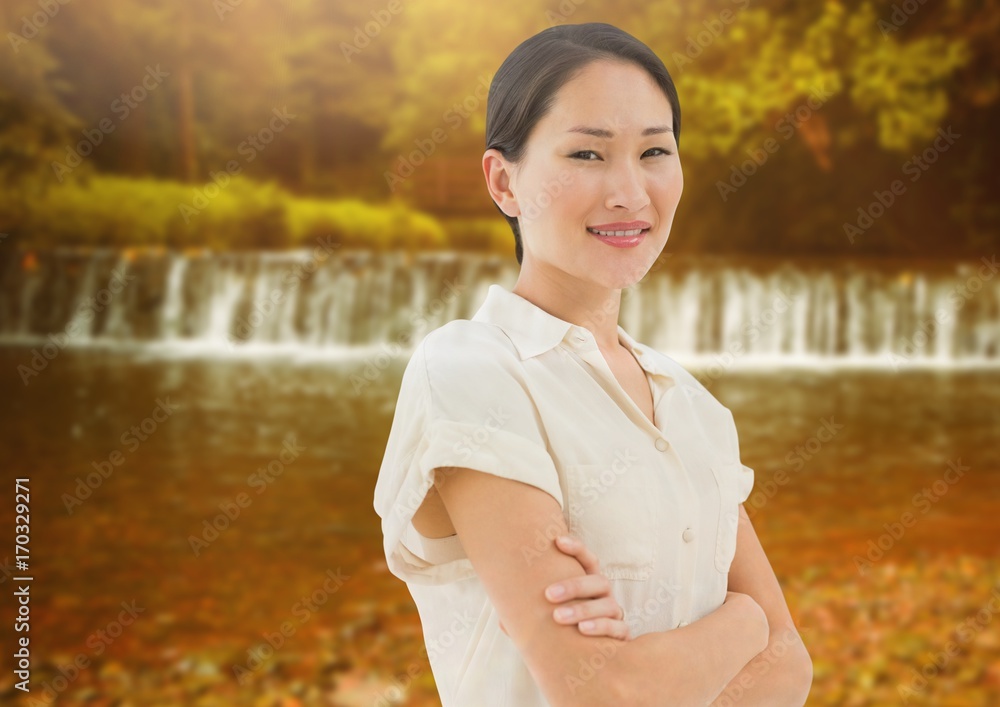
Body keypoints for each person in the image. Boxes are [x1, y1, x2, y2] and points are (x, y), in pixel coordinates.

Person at [373, 22, 812, 706]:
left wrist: (715, 647)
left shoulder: (692, 405)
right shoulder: (471, 371)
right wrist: (747, 620)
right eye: (586, 153)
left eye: (655, 151)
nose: (630, 192)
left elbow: (789, 670)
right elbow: (600, 688)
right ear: (504, 181)